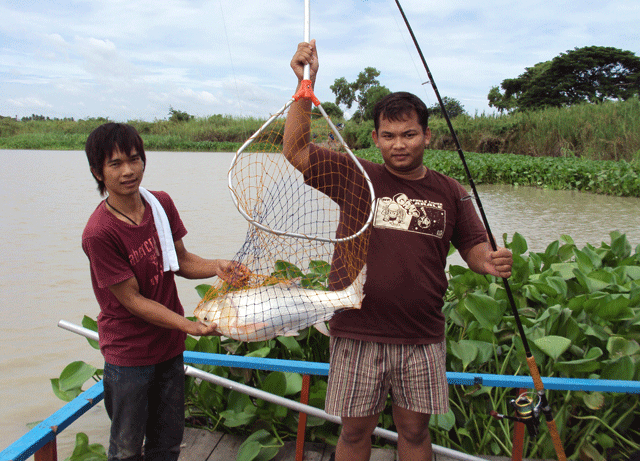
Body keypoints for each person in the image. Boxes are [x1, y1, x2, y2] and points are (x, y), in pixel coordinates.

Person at [283, 41, 513, 461]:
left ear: (427, 135)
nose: (399, 144)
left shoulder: (451, 192)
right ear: (375, 138)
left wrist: (490, 262)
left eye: (409, 134)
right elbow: (296, 151)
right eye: (388, 136)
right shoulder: (356, 176)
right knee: (353, 433)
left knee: (414, 430)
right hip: (357, 329)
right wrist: (304, 83)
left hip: (421, 334)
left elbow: (474, 247)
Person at [82, 123, 248, 461]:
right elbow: (131, 300)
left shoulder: (159, 204)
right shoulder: (100, 233)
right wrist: (188, 325)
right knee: (127, 449)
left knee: (168, 443)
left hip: (168, 349)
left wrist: (217, 266)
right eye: (115, 164)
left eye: (134, 159)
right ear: (97, 172)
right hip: (129, 356)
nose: (128, 171)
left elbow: (181, 260)